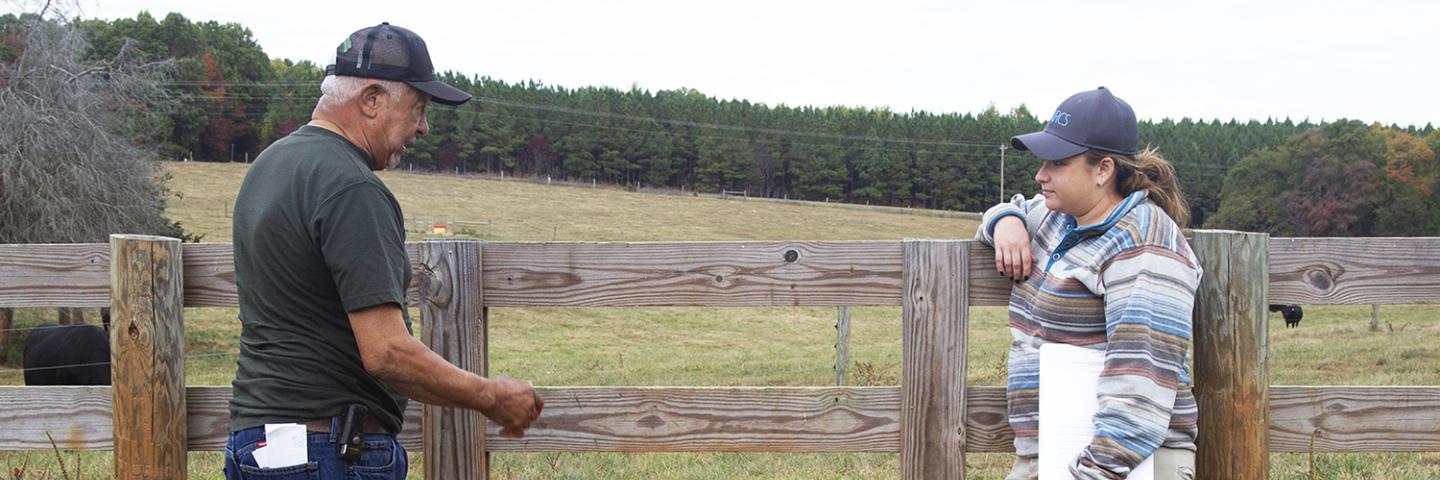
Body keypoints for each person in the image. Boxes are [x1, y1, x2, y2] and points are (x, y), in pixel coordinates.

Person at [225, 23, 542, 479]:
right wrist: (491, 397)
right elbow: (386, 351)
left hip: (259, 445)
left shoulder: (269, 166)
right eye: (418, 108)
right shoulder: (351, 186)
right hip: (327, 450)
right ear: (371, 99)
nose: (423, 127)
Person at [975, 87, 1200, 480]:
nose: (1040, 174)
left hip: (1126, 464)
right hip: (1053, 452)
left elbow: (1140, 379)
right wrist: (1005, 221)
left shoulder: (1142, 242)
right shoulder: (1059, 216)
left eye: (1058, 162)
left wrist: (1096, 470)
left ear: (1103, 169)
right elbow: (1014, 206)